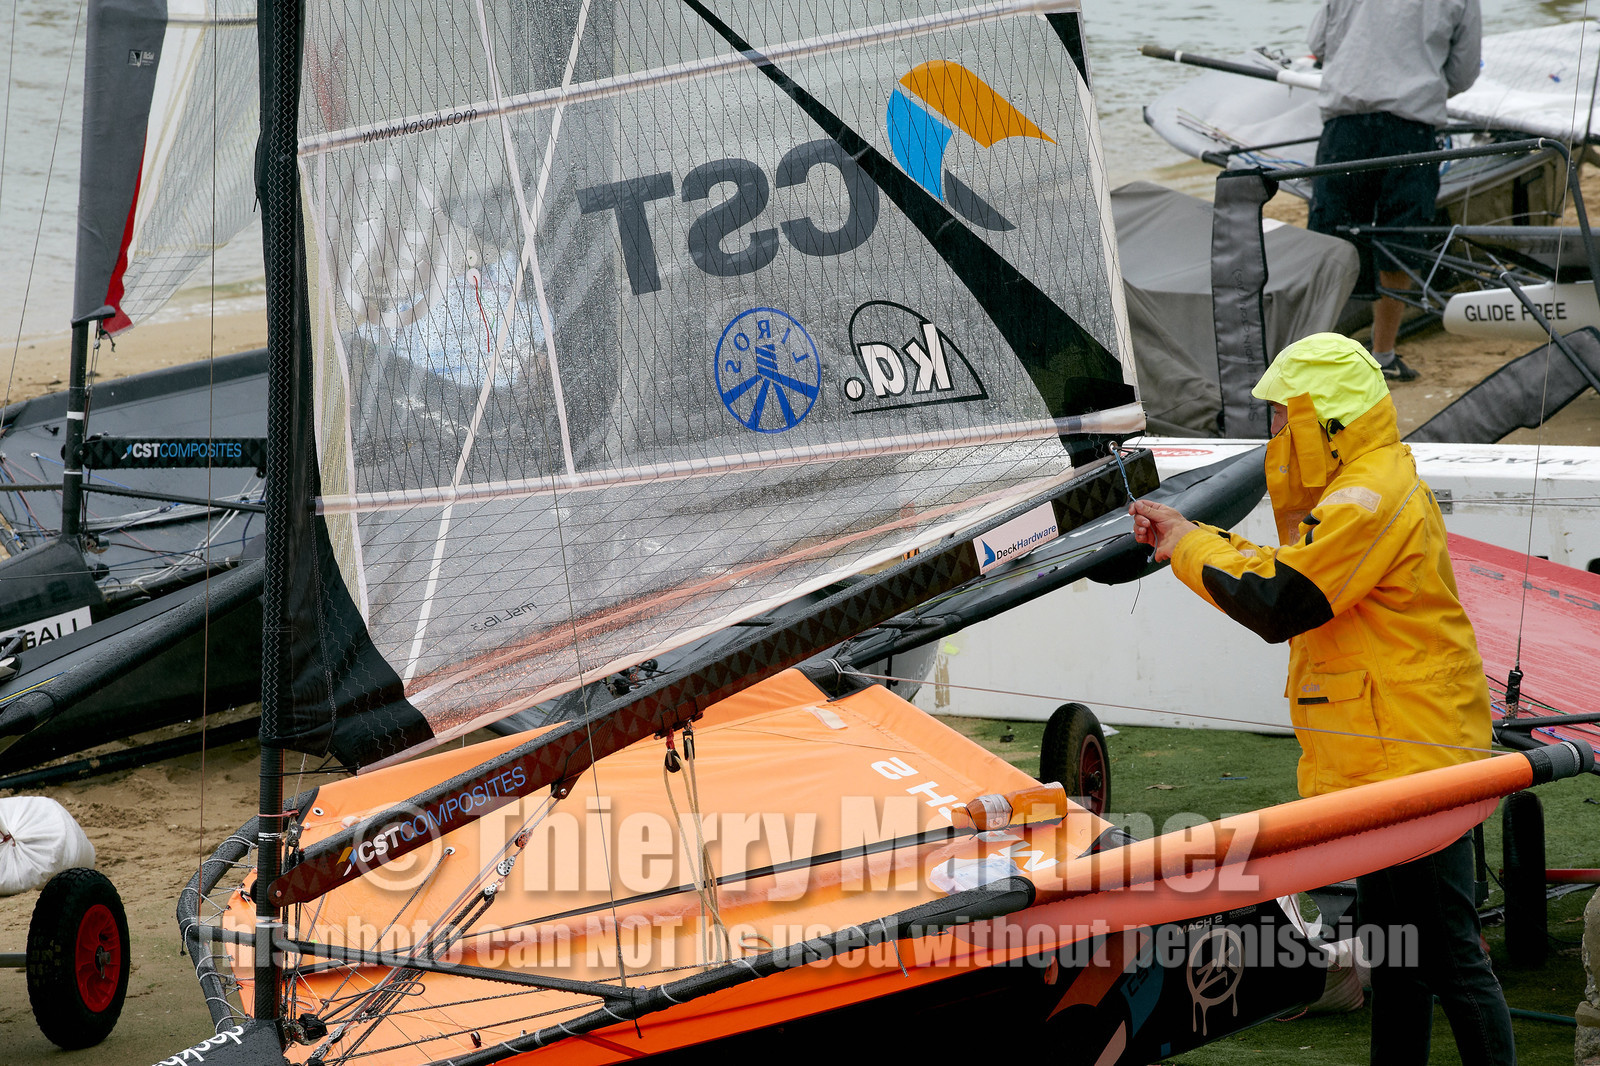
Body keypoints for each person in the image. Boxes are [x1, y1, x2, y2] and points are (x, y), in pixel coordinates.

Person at [1129, 332, 1513, 1065]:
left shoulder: (1367, 495)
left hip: (1412, 760)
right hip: (1387, 756)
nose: (1272, 433)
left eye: (1281, 417)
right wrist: (1192, 535)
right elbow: (1292, 571)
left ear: (1321, 420)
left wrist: (1185, 547)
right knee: (1397, 952)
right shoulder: (1361, 487)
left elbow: (1281, 601)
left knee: (1447, 954)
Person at [1307, 0, 1482, 383]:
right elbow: (1464, 71)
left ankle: (1319, 356)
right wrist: (1416, 82)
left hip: (1345, 125)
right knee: (1400, 239)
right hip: (1411, 127)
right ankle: (1382, 354)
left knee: (1330, 239)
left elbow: (1318, 46)